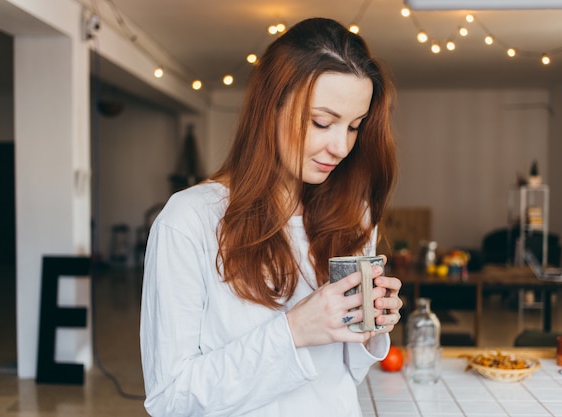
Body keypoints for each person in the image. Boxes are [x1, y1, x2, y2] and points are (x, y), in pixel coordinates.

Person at [140, 17, 402, 417]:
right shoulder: (190, 220)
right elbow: (171, 399)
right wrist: (294, 331)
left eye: (354, 127)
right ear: (271, 106)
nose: (340, 147)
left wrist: (369, 328)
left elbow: (341, 378)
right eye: (322, 122)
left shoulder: (354, 214)